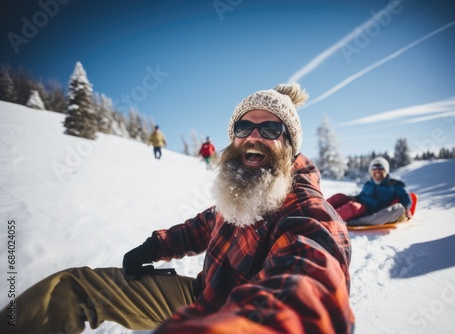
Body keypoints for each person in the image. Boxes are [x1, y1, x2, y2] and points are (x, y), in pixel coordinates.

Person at [2, 83, 354, 334]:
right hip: (201, 296)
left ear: (290, 145)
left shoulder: (305, 210)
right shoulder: (246, 190)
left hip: (230, 320)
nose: (253, 136)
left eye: (270, 128)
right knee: (76, 288)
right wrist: (158, 244)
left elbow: (310, 286)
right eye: (244, 126)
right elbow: (208, 223)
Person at [327, 156, 412, 225]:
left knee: (352, 207)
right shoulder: (368, 183)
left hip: (371, 210)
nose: (377, 170)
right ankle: (317, 210)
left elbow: (406, 198)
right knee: (339, 197)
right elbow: (361, 196)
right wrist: (353, 198)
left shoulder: (395, 184)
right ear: (371, 171)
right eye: (374, 167)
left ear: (386, 170)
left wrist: (406, 209)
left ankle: (326, 221)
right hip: (360, 203)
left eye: (381, 167)